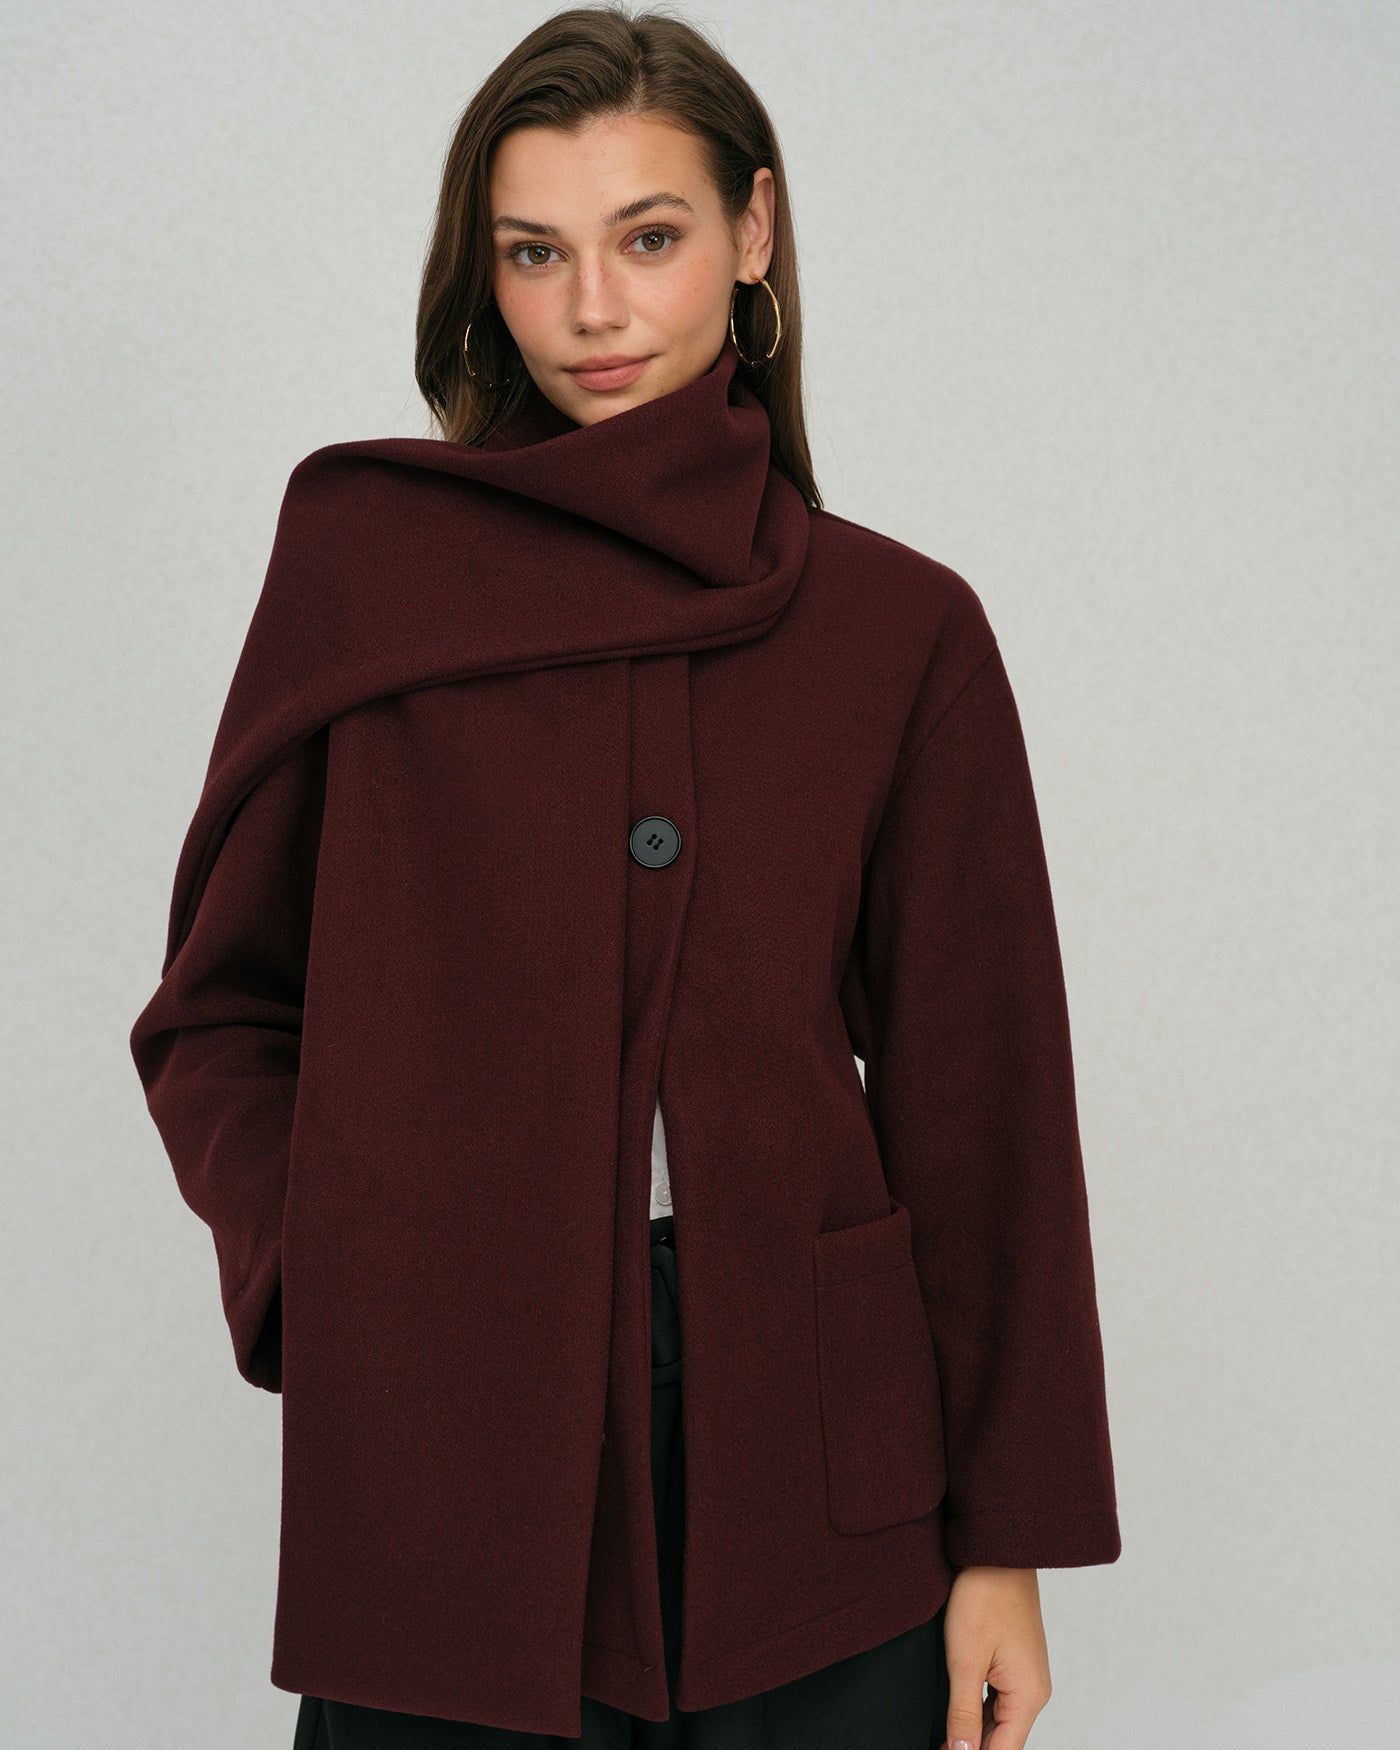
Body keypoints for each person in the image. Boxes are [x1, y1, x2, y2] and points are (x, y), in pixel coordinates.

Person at [129, 7, 1121, 1747]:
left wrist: (1006, 1542)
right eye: (535, 252)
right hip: (444, 1440)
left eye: (648, 238)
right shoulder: (368, 574)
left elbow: (987, 1106)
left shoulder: (901, 630)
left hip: (821, 1482)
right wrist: (337, 1273)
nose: (593, 308)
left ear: (752, 233)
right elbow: (219, 1013)